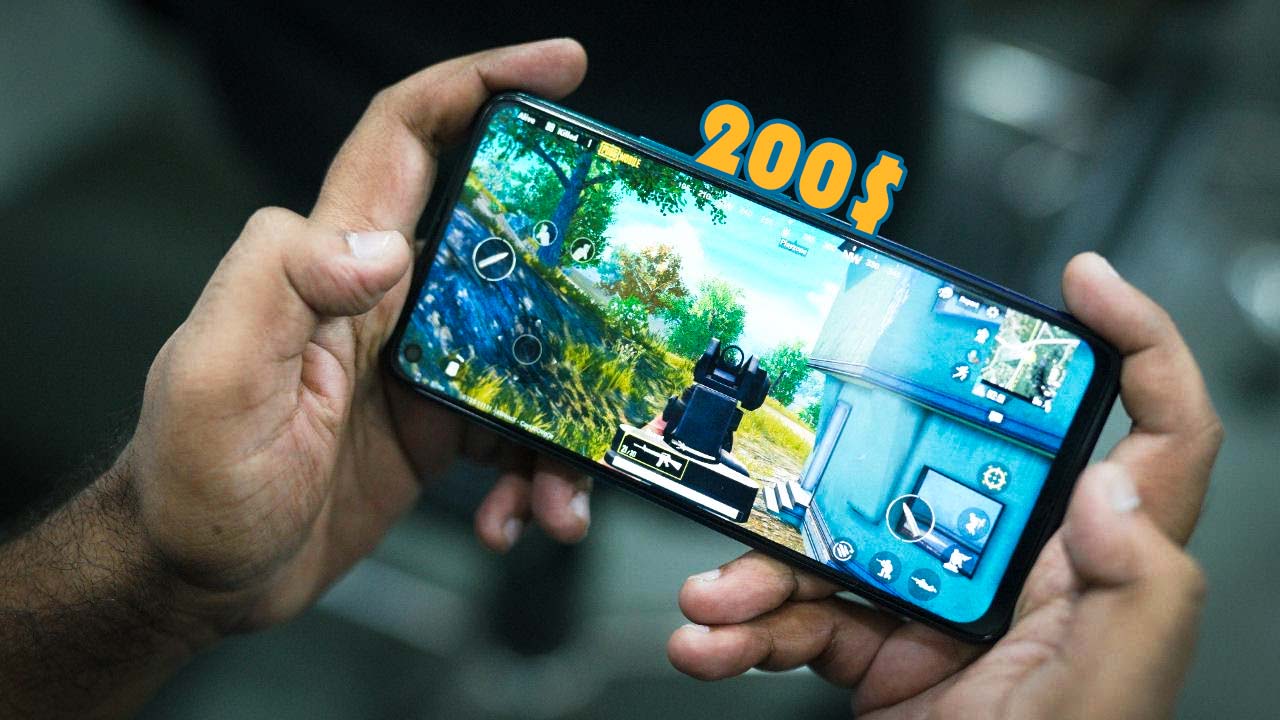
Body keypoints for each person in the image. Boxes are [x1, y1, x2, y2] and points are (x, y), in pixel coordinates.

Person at [0, 40, 1220, 719]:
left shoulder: (731, 375)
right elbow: (727, 396)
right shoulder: (721, 368)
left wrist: (156, 571)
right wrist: (166, 569)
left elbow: (732, 397)